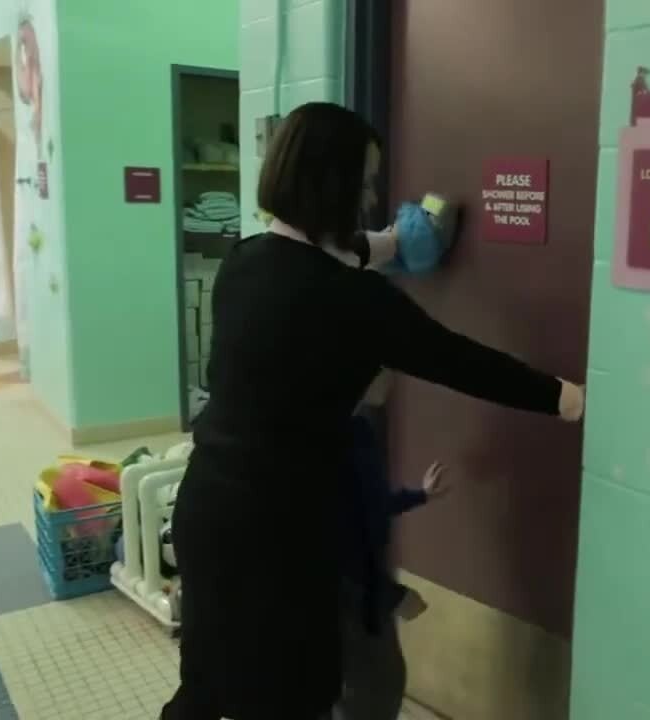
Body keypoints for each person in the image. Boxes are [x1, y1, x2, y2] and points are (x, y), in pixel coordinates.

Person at [160, 102, 584, 720]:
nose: (369, 194)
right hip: (277, 537)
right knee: (291, 698)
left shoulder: (244, 261)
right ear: (331, 186)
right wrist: (569, 398)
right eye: (362, 183)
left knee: (205, 687)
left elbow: (321, 259)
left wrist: (389, 245)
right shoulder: (356, 302)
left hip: (206, 510)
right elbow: (459, 360)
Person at [337, 371, 440, 720]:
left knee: (382, 682)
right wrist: (389, 595)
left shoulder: (360, 429)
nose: (392, 379)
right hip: (348, 594)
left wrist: (420, 494)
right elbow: (332, 541)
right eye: (384, 368)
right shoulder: (325, 441)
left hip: (366, 590)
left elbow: (371, 504)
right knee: (372, 688)